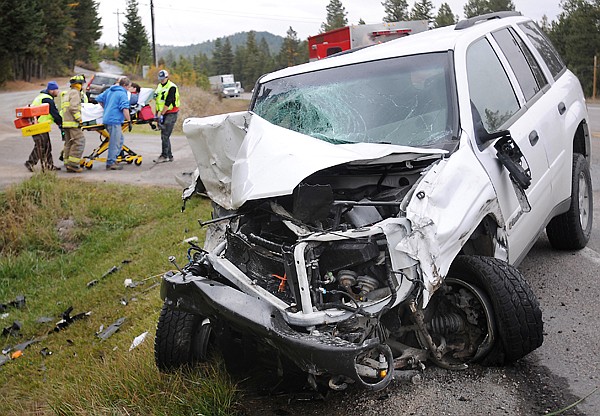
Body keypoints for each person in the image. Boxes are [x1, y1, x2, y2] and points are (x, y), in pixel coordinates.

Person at [95, 77, 132, 170]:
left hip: (107, 118)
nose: (128, 89)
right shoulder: (122, 94)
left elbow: (99, 98)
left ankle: (113, 159)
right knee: (115, 142)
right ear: (124, 85)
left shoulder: (110, 90)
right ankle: (111, 162)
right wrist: (129, 120)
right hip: (114, 120)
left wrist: (106, 107)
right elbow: (125, 109)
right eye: (128, 87)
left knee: (119, 140)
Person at [24, 81, 63, 172]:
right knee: (41, 146)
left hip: (39, 125)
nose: (58, 91)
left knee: (46, 146)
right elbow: (54, 113)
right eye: (56, 89)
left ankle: (49, 165)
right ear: (51, 90)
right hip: (39, 125)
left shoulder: (42, 97)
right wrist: (61, 123)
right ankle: (30, 163)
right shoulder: (47, 99)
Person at [60, 74, 87, 173]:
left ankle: (67, 162)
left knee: (69, 143)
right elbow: (73, 107)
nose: (82, 86)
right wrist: (79, 119)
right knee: (80, 142)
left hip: (66, 123)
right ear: (78, 85)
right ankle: (73, 165)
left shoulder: (67, 93)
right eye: (81, 84)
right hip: (73, 123)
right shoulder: (75, 93)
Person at [154, 69, 180, 163]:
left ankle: (164, 156)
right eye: (160, 78)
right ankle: (169, 155)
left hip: (171, 113)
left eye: (163, 78)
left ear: (167, 77)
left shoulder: (172, 87)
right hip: (162, 113)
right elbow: (157, 101)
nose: (161, 80)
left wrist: (161, 114)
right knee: (164, 135)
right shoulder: (159, 86)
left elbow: (168, 102)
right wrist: (157, 114)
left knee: (165, 134)